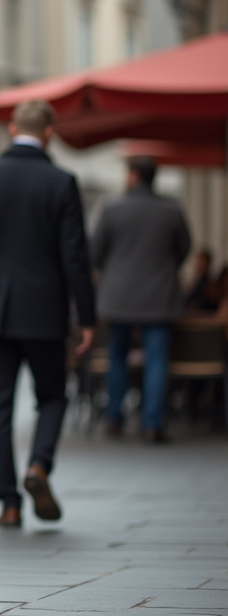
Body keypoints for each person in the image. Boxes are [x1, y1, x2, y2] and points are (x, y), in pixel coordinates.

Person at [0, 100, 96, 529]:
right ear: (49, 132)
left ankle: (9, 504)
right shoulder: (61, 182)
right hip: (43, 309)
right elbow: (75, 256)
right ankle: (38, 466)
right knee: (52, 395)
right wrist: (86, 317)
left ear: (11, 127)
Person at [91, 156, 191, 444]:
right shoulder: (171, 210)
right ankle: (152, 424)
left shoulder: (111, 209)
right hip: (159, 294)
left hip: (119, 294)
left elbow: (95, 252)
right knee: (157, 358)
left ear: (134, 176)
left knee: (117, 355)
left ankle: (114, 418)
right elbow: (184, 248)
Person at [184, 249, 219, 314]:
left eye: (201, 261)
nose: (198, 264)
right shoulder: (197, 280)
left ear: (208, 262)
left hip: (204, 313)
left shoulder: (209, 282)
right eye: (198, 261)